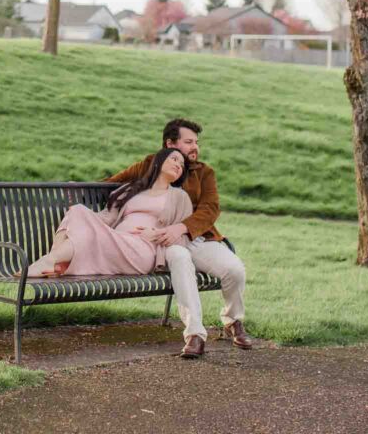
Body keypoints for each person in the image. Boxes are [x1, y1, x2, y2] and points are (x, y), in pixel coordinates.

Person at [107, 117, 252, 358]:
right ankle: (195, 335)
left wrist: (182, 227)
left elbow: (210, 208)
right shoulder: (151, 164)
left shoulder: (204, 172)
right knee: (180, 259)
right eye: (188, 142)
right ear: (170, 144)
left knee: (234, 269)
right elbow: (112, 184)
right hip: (160, 242)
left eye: (197, 142)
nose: (195, 147)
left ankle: (232, 321)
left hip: (196, 237)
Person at [26, 148, 192, 279]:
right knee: (78, 210)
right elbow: (105, 218)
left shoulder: (180, 197)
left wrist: (156, 235)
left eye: (182, 164)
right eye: (174, 159)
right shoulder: (131, 189)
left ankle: (50, 260)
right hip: (113, 239)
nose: (179, 165)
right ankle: (53, 257)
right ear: (158, 161)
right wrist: (80, 213)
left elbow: (183, 236)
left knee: (86, 225)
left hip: (142, 250)